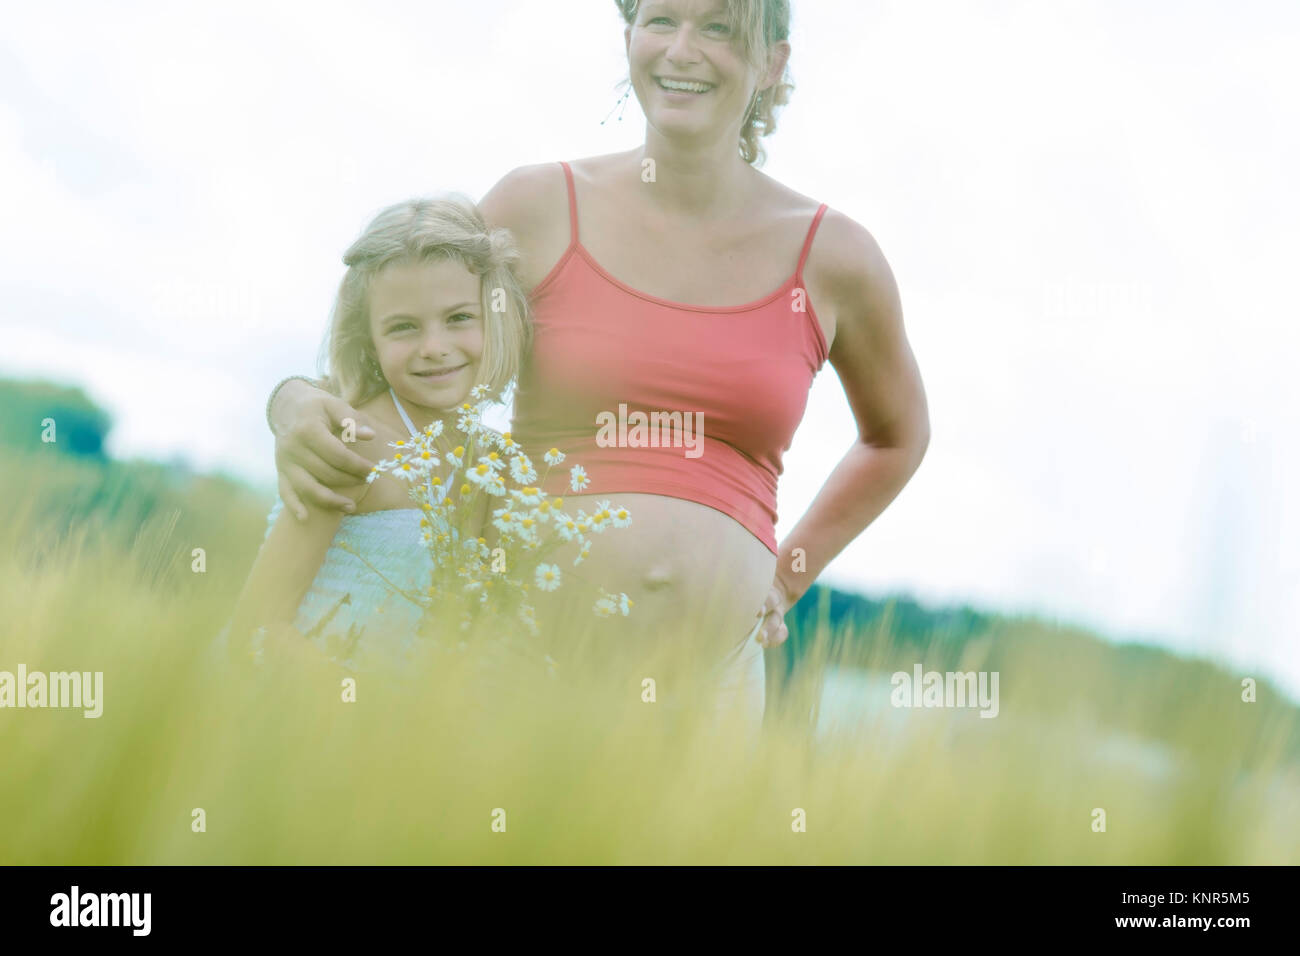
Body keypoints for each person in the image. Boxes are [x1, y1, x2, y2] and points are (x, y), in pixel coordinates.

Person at [265, 0, 930, 734]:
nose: (682, 49)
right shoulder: (538, 206)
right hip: (516, 662)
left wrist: (789, 575)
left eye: (717, 28)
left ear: (771, 62)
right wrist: (292, 404)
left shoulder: (837, 257)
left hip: (711, 693)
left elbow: (896, 437)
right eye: (661, 20)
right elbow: (390, 337)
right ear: (628, 39)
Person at [226, 195, 530, 673]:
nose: (434, 348)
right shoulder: (356, 441)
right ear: (369, 339)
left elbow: (481, 623)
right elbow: (257, 630)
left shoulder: (496, 465)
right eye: (404, 327)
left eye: (458, 318)